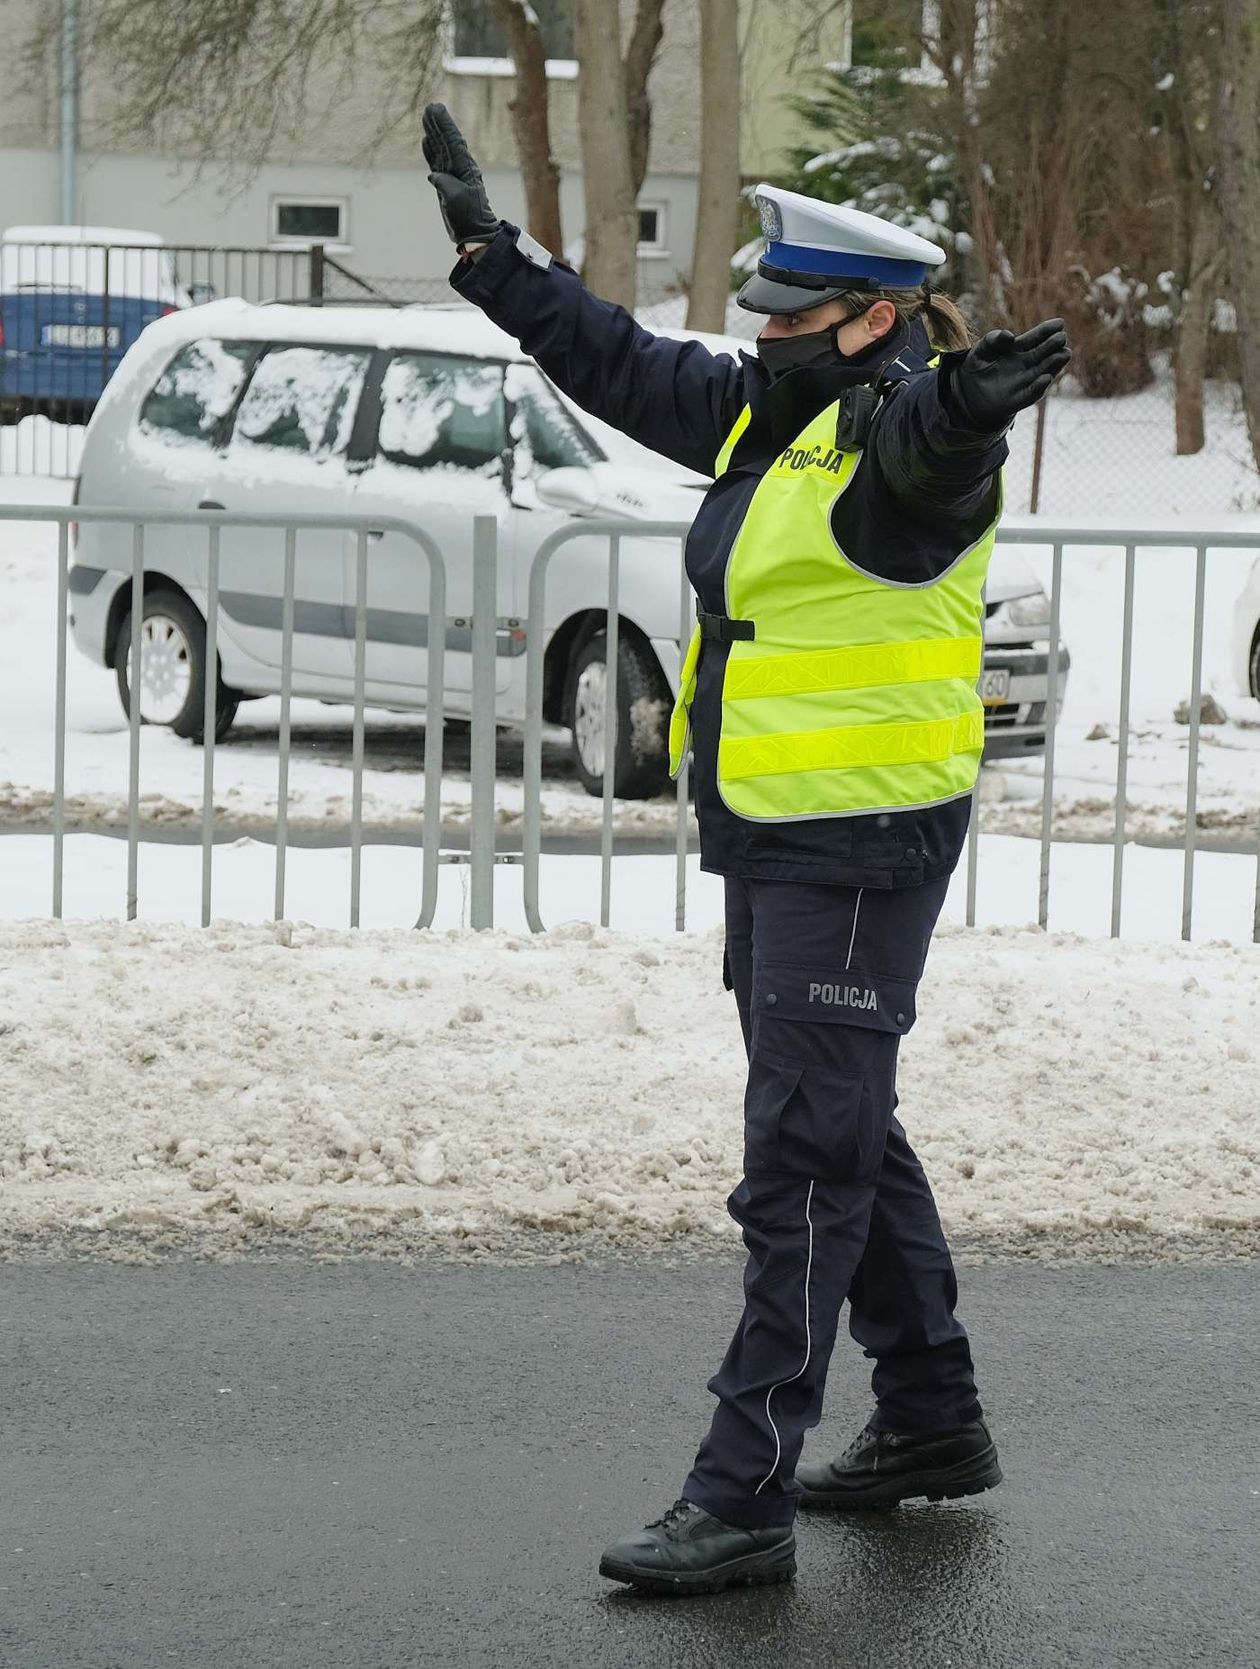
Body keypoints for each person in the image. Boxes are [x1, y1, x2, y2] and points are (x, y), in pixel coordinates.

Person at [422, 103, 1071, 1597]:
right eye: (763, 311)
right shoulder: (779, 413)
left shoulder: (902, 439)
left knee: (800, 1155)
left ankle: (744, 1489)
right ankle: (929, 1414)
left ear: (880, 321)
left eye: (799, 313)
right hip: (784, 840)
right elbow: (625, 364)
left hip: (857, 842)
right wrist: (490, 256)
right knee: (842, 1121)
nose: (765, 332)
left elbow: (928, 457)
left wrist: (964, 409)